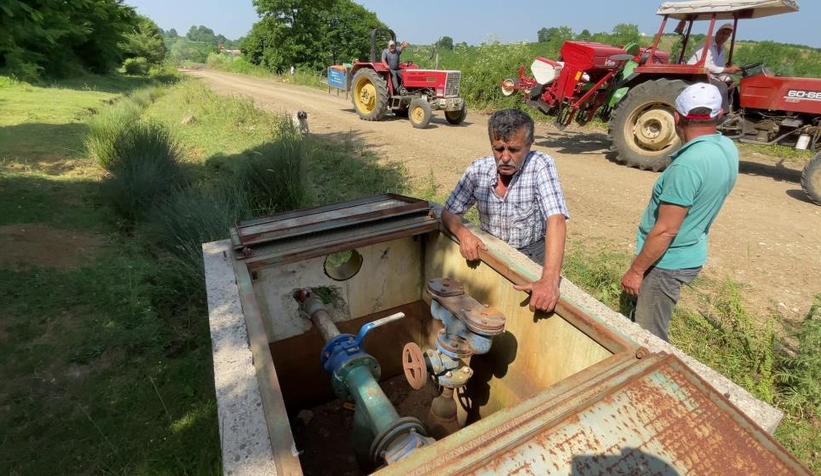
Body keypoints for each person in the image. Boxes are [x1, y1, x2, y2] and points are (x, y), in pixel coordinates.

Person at [621, 83, 739, 341]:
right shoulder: (727, 149)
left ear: (676, 118)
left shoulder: (686, 166)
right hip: (691, 249)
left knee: (649, 335)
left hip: (666, 262)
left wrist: (636, 270)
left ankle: (654, 379)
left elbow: (666, 230)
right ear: (719, 115)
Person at [441, 109, 569, 313]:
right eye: (499, 149)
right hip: (492, 252)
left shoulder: (540, 165)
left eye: (514, 149)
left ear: (529, 144)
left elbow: (556, 219)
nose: (505, 157)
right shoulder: (478, 170)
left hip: (531, 254)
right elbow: (448, 212)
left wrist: (549, 280)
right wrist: (463, 234)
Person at [687, 22, 741, 114]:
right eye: (723, 33)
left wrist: (728, 79)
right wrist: (728, 70)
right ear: (717, 33)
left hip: (710, 75)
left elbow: (719, 68)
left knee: (733, 87)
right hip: (697, 74)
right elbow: (707, 66)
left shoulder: (721, 48)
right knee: (722, 86)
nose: (724, 36)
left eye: (727, 34)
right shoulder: (706, 46)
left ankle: (737, 112)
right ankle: (722, 115)